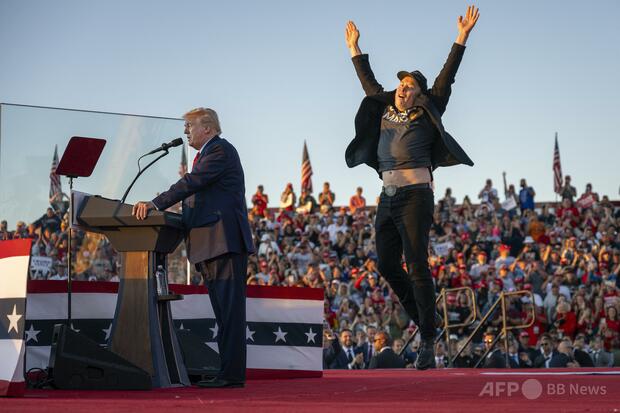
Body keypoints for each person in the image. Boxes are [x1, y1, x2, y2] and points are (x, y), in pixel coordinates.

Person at [344, 5, 479, 370]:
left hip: (416, 196)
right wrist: (355, 49)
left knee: (417, 263)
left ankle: (428, 340)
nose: (403, 89)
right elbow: (368, 83)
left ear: (419, 94)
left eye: (410, 86)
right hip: (386, 198)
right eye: (401, 84)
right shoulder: (385, 105)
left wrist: (461, 37)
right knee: (387, 263)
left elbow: (447, 76)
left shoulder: (429, 107)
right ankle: (425, 321)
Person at [132, 107, 255, 388]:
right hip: (211, 243)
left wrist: (156, 203)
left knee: (229, 313)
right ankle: (228, 372)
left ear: (208, 128)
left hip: (223, 243)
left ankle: (231, 375)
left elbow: (192, 183)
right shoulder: (207, 154)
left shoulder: (219, 151)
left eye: (189, 125)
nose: (185, 131)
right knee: (224, 313)